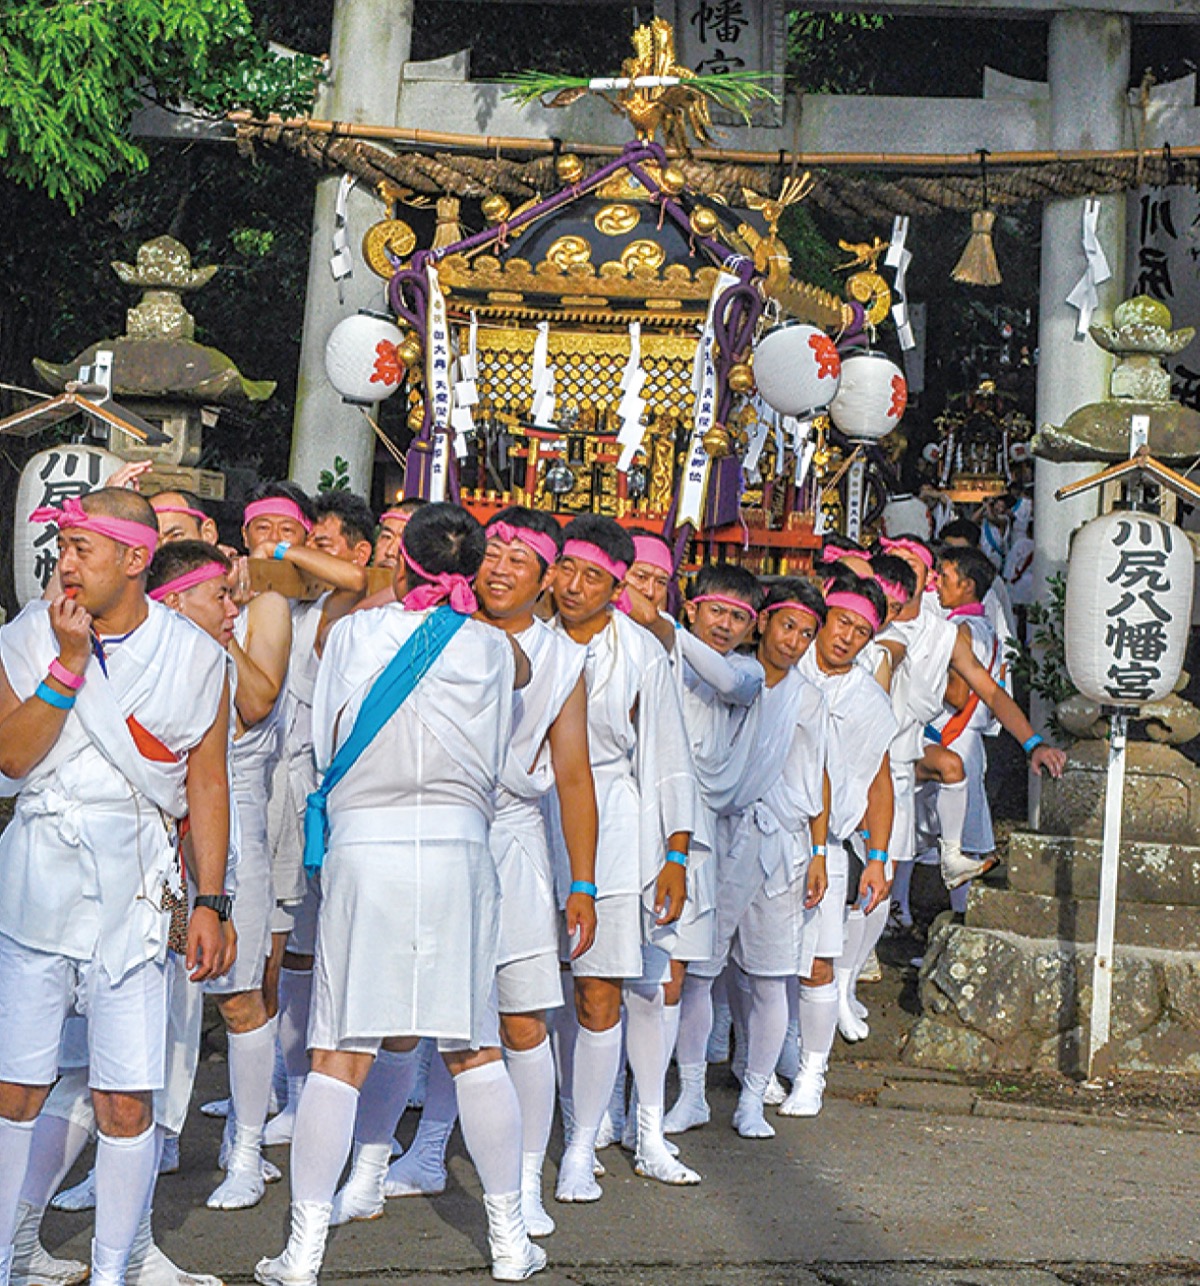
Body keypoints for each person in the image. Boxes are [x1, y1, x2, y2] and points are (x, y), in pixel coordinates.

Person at [256, 503, 545, 1286]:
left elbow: (328, 735)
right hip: (458, 848)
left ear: (401, 561)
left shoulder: (352, 634)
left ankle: (303, 1252)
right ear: (475, 570)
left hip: (367, 847)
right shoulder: (493, 649)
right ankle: (511, 1243)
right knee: (474, 1047)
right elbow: (516, 686)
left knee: (340, 1052)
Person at [336, 507, 598, 1240]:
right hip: (421, 837)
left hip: (509, 838)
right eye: (495, 552)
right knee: (400, 1022)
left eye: (521, 559)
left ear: (547, 579)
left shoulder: (559, 658)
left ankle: (523, 1182)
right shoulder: (418, 626)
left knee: (519, 1020)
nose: (502, 569)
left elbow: (574, 775)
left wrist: (582, 882)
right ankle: (372, 1169)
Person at [0, 489, 231, 1286]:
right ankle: (6, 1258)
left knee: (127, 1096)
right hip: (38, 870)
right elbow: (12, 756)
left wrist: (211, 901)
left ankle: (115, 1269)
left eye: (82, 548)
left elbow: (206, 784)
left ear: (135, 559)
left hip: (143, 881)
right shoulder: (25, 636)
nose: (65, 563)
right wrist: (67, 665)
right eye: (61, 546)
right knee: (16, 1086)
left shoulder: (195, 654)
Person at [547, 515, 702, 1201]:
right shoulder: (526, 638)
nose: (574, 586)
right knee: (535, 993)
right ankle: (554, 1126)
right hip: (530, 815)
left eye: (593, 577)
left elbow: (668, 755)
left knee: (601, 989)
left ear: (616, 588)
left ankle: (585, 1146)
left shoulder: (639, 651)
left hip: (614, 822)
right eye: (567, 569)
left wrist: (675, 854)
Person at [147, 540, 292, 1211]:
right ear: (175, 601)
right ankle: (154, 1140)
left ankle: (247, 1149)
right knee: (154, 998)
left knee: (238, 997)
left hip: (236, 845)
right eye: (220, 597)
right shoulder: (142, 656)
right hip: (159, 849)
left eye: (235, 596)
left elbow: (258, 703)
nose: (235, 608)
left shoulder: (231, 659)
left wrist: (217, 637)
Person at [784, 572, 896, 1119]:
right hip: (771, 829)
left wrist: (878, 857)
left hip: (829, 842)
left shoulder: (871, 702)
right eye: (841, 622)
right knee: (765, 962)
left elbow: (878, 780)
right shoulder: (787, 665)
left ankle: (813, 1072)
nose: (846, 637)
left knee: (818, 961)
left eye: (860, 631)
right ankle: (770, 1061)